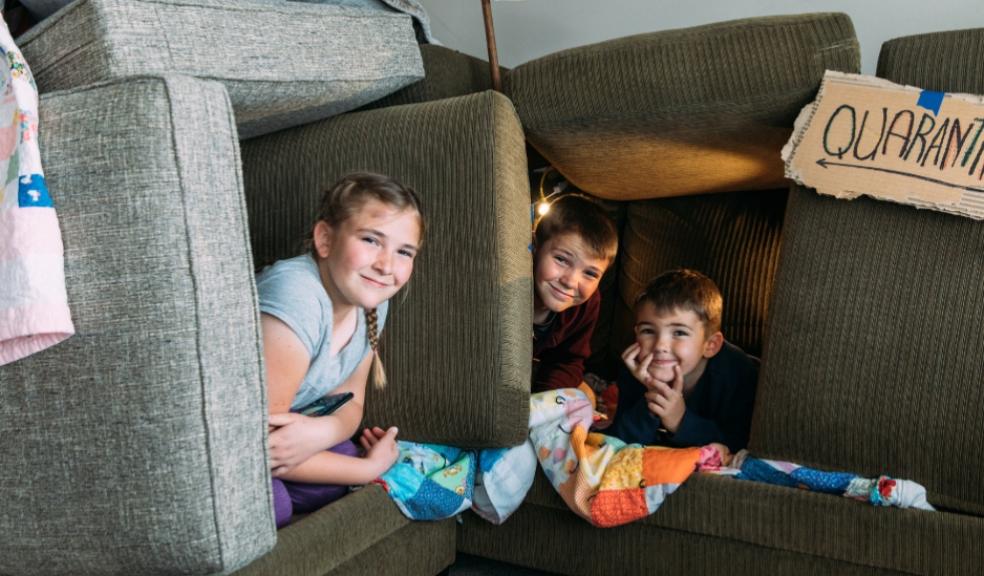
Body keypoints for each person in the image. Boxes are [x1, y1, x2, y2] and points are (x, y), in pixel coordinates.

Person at [256, 172, 424, 527]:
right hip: (245, 439)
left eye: (404, 251)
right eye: (370, 240)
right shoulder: (296, 294)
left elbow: (351, 399)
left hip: (283, 432)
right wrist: (368, 469)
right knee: (275, 505)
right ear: (325, 239)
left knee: (338, 463)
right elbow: (264, 445)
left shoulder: (373, 299)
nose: (386, 266)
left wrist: (323, 432)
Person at [608, 269, 758, 454]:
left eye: (679, 333)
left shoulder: (738, 375)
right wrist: (652, 398)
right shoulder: (635, 367)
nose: (660, 346)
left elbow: (739, 444)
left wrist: (680, 420)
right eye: (648, 331)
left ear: (710, 345)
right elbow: (619, 443)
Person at [531, 193, 619, 393]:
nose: (570, 282)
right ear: (535, 247)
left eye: (590, 273)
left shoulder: (588, 303)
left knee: (585, 396)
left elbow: (569, 360)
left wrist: (541, 402)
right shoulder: (512, 284)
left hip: (537, 386)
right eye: (561, 259)